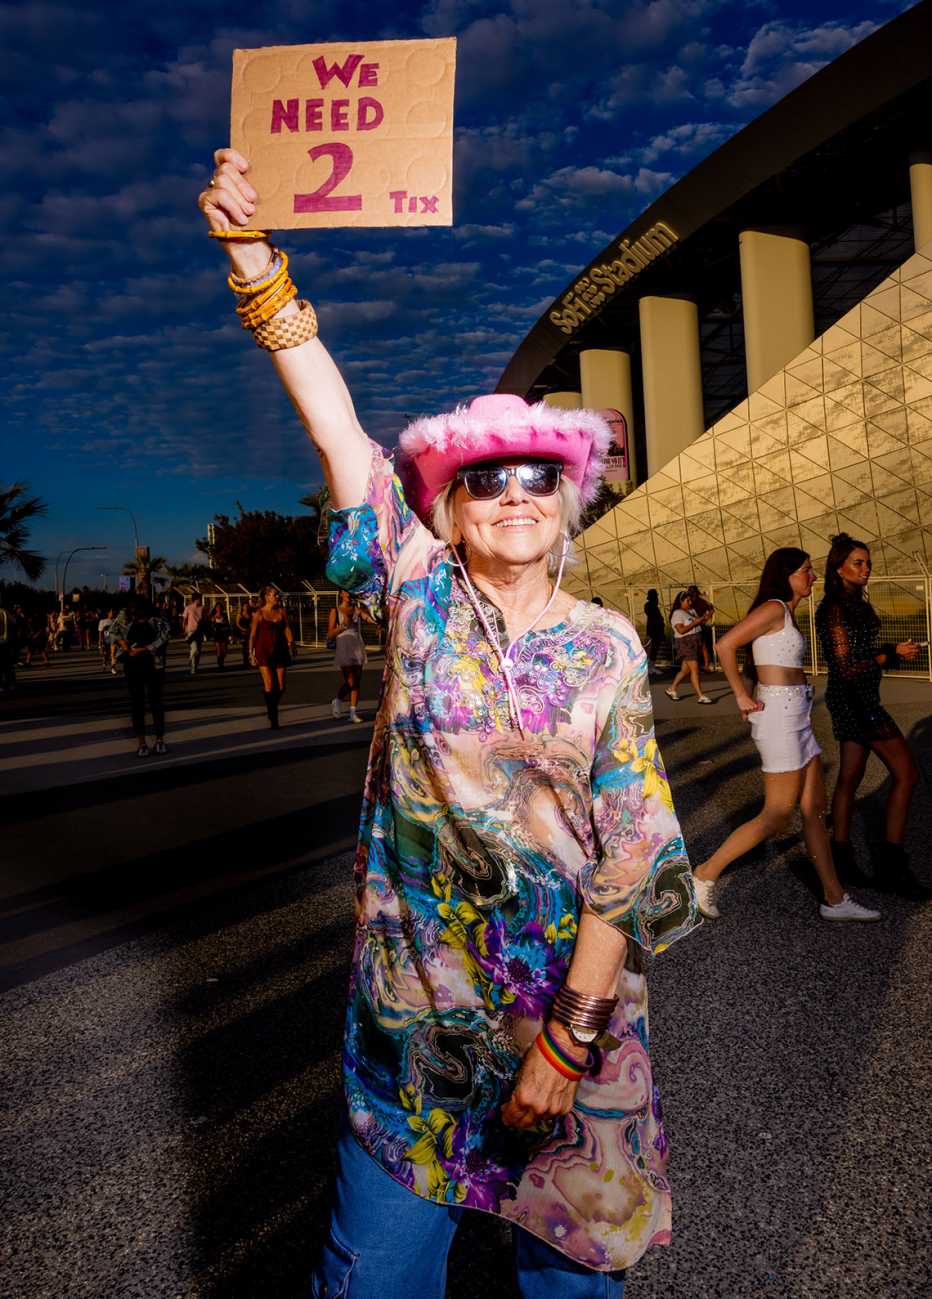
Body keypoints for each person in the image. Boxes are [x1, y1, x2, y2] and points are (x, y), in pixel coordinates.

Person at [199, 148, 700, 1299]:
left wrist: (568, 1040)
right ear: (449, 506)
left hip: (566, 1020)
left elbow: (631, 854)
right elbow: (337, 432)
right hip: (413, 1019)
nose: (513, 492)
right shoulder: (415, 589)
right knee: (370, 1278)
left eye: (534, 474)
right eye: (486, 479)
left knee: (570, 1277)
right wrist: (254, 264)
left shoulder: (607, 644)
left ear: (565, 498)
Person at [690, 548, 879, 923]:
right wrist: (741, 695)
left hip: (797, 715)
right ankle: (704, 874)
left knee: (814, 810)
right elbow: (726, 644)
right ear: (786, 575)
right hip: (779, 717)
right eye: (806, 570)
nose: (813, 576)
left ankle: (834, 898)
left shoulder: (786, 613)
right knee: (777, 815)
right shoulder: (775, 608)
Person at [815, 533, 927, 899]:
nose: (866, 569)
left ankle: (841, 857)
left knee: (850, 776)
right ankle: (892, 867)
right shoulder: (834, 609)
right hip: (856, 701)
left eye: (868, 563)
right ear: (839, 568)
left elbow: (860, 653)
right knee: (907, 774)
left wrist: (892, 650)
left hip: (857, 697)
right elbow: (846, 667)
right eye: (858, 563)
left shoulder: (853, 604)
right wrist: (891, 654)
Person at [110, 597, 170, 757]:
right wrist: (123, 645)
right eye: (133, 610)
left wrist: (144, 649)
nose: (136, 613)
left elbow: (165, 636)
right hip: (133, 664)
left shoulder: (157, 618)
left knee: (156, 702)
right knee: (137, 703)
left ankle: (159, 740)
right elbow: (112, 633)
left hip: (153, 663)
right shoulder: (124, 617)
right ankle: (142, 743)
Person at [249, 586, 295, 729]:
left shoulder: (281, 611)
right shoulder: (259, 614)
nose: (277, 597)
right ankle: (273, 717)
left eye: (277, 594)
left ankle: (271, 706)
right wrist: (251, 653)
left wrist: (291, 644)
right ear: (267, 597)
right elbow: (253, 635)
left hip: (280, 650)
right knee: (269, 685)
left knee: (281, 686)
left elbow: (286, 628)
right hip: (263, 651)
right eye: (275, 595)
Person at [665, 592, 712, 703]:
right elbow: (681, 630)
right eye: (687, 601)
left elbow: (700, 621)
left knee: (685, 670)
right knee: (695, 669)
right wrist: (695, 623)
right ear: (681, 601)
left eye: (691, 600)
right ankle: (700, 696)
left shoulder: (691, 611)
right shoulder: (677, 613)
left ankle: (672, 689)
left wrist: (708, 614)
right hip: (685, 643)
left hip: (695, 641)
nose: (690, 603)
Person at [328, 590, 367, 722]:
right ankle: (338, 700)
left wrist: (377, 621)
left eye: (350, 591)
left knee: (357, 681)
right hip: (344, 645)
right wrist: (342, 626)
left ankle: (353, 713)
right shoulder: (335, 610)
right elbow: (330, 634)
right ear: (341, 594)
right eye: (345, 592)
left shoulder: (356, 609)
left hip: (356, 645)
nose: (348, 594)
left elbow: (368, 618)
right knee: (350, 681)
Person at [686, 585, 716, 671]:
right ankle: (694, 665)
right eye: (691, 593)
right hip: (691, 626)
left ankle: (706, 665)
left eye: (693, 593)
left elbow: (711, 610)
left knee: (702, 646)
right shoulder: (688, 602)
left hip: (700, 626)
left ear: (696, 593)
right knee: (693, 646)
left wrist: (705, 618)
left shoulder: (701, 601)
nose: (692, 595)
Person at [643, 589, 666, 676]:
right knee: (652, 649)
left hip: (655, 631)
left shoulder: (652, 606)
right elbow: (655, 618)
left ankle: (651, 666)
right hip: (653, 631)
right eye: (655, 596)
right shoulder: (650, 606)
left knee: (654, 649)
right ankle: (650, 667)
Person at [182, 593, 206, 675]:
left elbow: (204, 619)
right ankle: (192, 667)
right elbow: (185, 620)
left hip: (200, 631)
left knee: (198, 651)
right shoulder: (188, 608)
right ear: (196, 599)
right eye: (200, 598)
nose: (201, 600)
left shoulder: (202, 608)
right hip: (191, 631)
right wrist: (184, 629)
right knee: (194, 649)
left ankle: (195, 666)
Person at [209, 602, 231, 670]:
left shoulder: (224, 615)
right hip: (217, 634)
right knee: (218, 650)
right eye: (217, 607)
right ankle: (220, 665)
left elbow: (228, 625)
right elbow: (211, 626)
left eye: (220, 607)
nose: (219, 608)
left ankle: (222, 661)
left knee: (224, 651)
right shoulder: (213, 616)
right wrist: (213, 622)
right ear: (215, 608)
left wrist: (225, 624)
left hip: (223, 634)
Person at [236, 599, 255, 668]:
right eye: (245, 606)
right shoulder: (240, 614)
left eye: (247, 606)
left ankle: (250, 660)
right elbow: (237, 623)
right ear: (242, 607)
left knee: (250, 646)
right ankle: (245, 661)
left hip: (249, 631)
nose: (246, 607)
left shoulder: (250, 614)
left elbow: (253, 621)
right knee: (245, 647)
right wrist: (242, 629)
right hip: (243, 632)